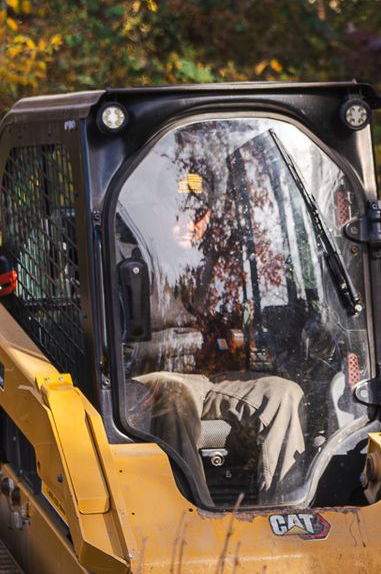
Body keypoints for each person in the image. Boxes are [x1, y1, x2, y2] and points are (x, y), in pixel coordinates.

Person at [121, 130, 307, 499]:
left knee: (284, 394)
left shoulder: (216, 260)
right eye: (180, 211)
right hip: (146, 380)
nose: (191, 222)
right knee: (175, 395)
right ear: (158, 208)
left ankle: (286, 512)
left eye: (199, 212)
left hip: (209, 379)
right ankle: (197, 515)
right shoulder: (128, 257)